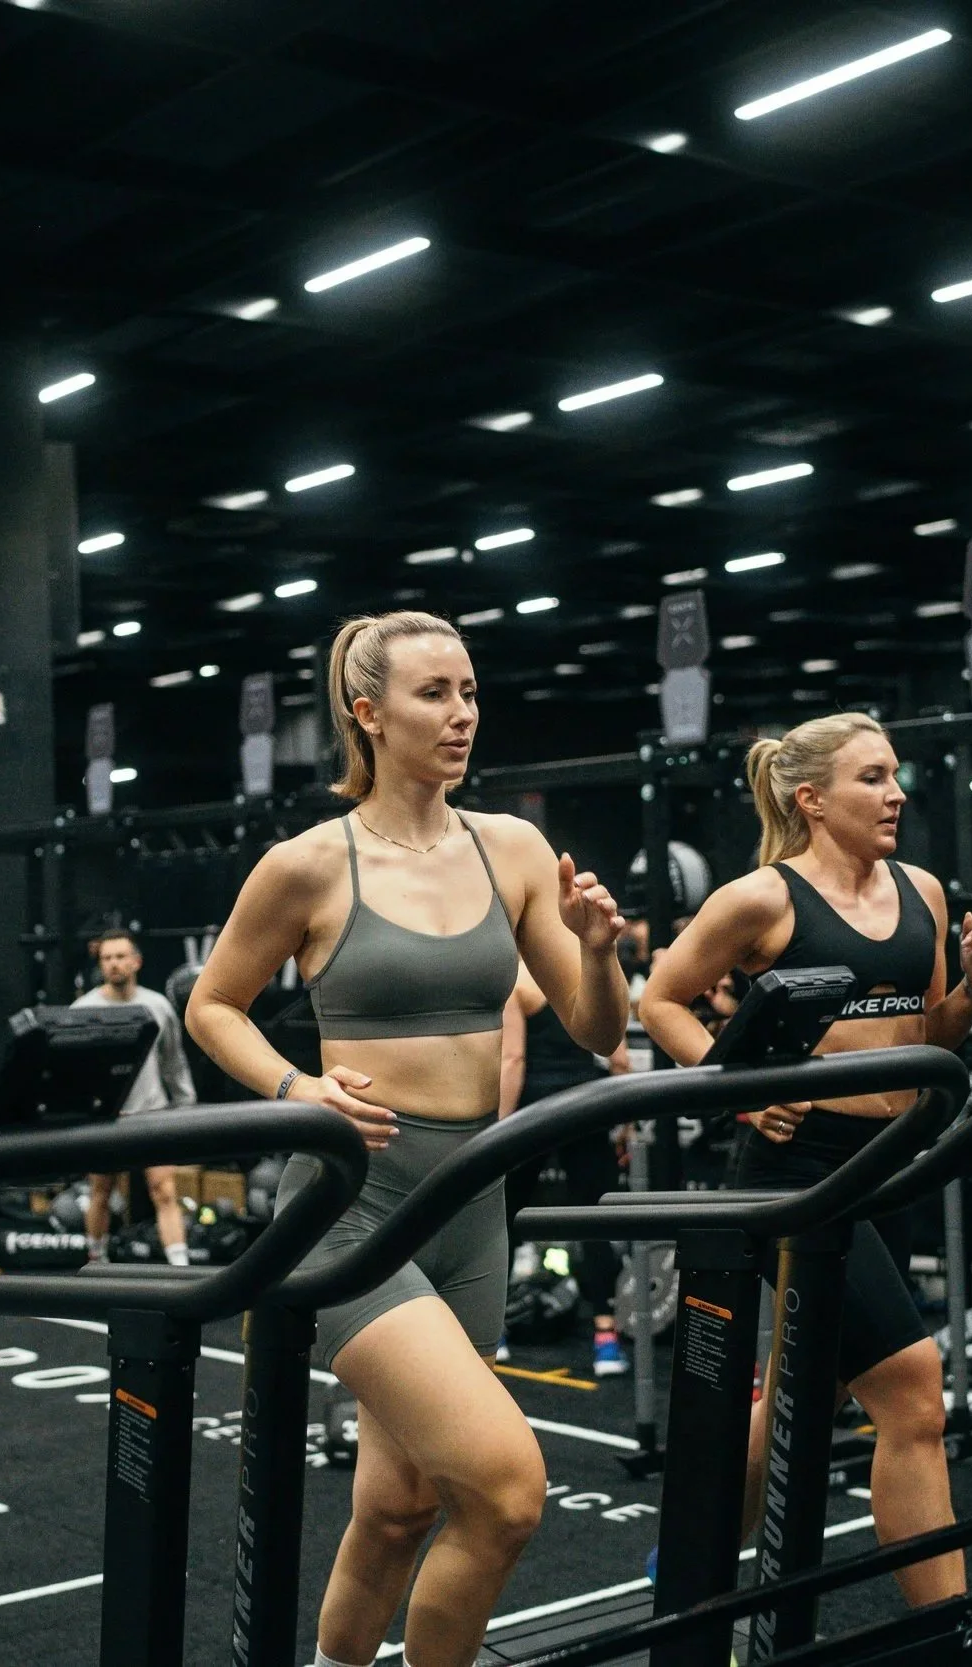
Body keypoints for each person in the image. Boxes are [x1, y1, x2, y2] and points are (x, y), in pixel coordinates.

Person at [184, 609, 627, 1667]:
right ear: (367, 712)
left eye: (470, 691)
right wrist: (298, 1085)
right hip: (354, 1204)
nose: (462, 713)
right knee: (510, 1489)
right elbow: (212, 1006)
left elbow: (597, 1030)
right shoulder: (306, 863)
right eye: (436, 693)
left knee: (398, 1505)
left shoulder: (510, 846)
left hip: (471, 1200)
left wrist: (600, 951)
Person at [635, 710, 972, 1612]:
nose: (896, 794)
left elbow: (928, 1033)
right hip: (796, 1168)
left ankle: (687, 1561)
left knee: (813, 1390)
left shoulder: (921, 890)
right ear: (812, 798)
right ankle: (950, 1632)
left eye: (895, 776)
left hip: (889, 1162)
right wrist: (734, 1083)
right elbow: (659, 999)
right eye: (873, 778)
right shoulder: (763, 897)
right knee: (914, 1394)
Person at [498, 964, 632, 1376]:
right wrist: (625, 1124)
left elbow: (514, 1057)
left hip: (534, 1109)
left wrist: (496, 1133)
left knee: (503, 1217)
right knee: (594, 1220)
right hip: (584, 1104)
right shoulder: (589, 976)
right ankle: (606, 1338)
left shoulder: (515, 979)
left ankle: (493, 1331)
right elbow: (620, 1060)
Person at [71, 931, 198, 1266]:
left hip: (152, 1114)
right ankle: (96, 1261)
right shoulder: (82, 1011)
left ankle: (180, 1267)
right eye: (107, 958)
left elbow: (174, 1064)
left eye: (121, 956)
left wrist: (187, 1111)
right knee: (101, 1193)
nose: (114, 963)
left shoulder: (157, 1007)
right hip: (105, 1118)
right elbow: (71, 1073)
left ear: (136, 961)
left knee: (165, 1191)